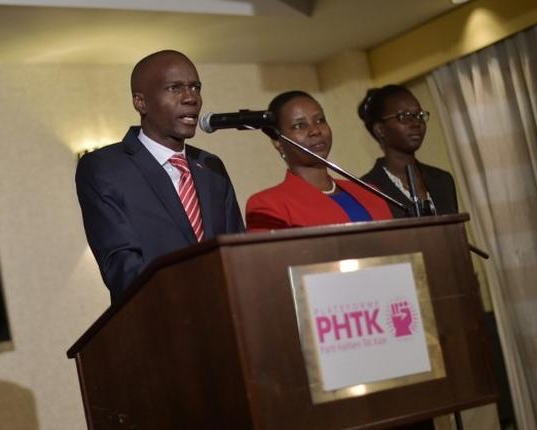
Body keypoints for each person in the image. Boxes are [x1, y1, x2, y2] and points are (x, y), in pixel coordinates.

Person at [75, 50, 245, 301]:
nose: (191, 98)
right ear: (140, 102)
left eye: (195, 87)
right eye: (175, 88)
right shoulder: (104, 167)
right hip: (160, 322)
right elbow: (122, 268)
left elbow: (236, 250)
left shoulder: (211, 166)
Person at [246, 91, 392, 230]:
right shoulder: (267, 205)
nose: (315, 131)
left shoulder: (371, 192)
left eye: (320, 120)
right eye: (299, 126)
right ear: (277, 141)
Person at [358, 85, 458, 218]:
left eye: (419, 115)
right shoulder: (366, 189)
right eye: (404, 116)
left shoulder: (442, 180)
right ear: (380, 130)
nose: (416, 123)